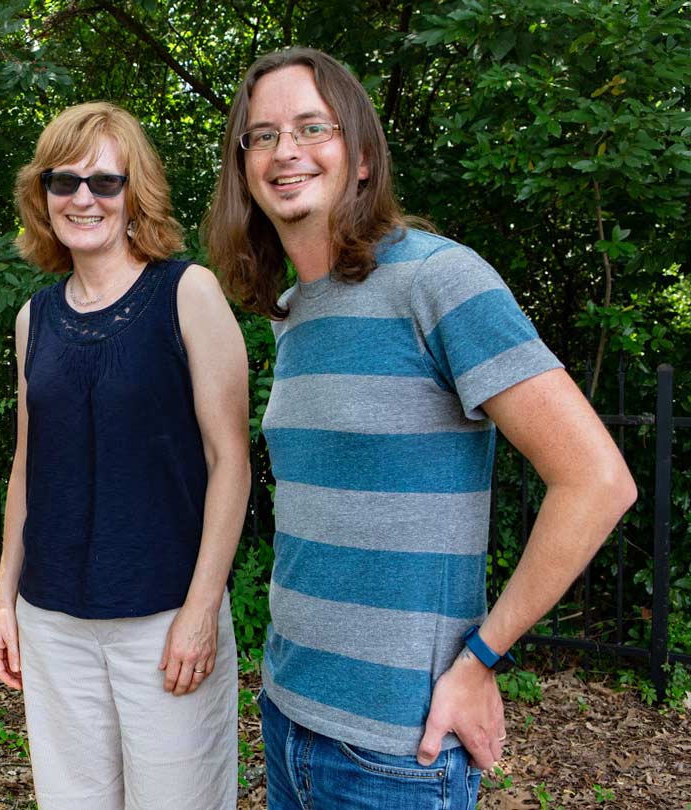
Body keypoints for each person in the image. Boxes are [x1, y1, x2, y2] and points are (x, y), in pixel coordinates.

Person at [201, 47, 637, 809]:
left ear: (363, 156)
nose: (286, 151)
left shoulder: (438, 279)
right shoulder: (293, 314)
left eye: (312, 126)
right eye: (262, 135)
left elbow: (597, 480)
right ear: (243, 168)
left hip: (397, 752)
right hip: (286, 715)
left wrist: (480, 660)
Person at [0, 101, 250, 809]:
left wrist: (201, 610)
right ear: (41, 197)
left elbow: (232, 462)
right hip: (54, 624)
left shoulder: (187, 293)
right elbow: (25, 467)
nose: (84, 198)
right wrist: (5, 600)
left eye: (105, 181)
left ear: (137, 192)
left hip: (164, 621)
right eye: (64, 181)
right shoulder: (32, 319)